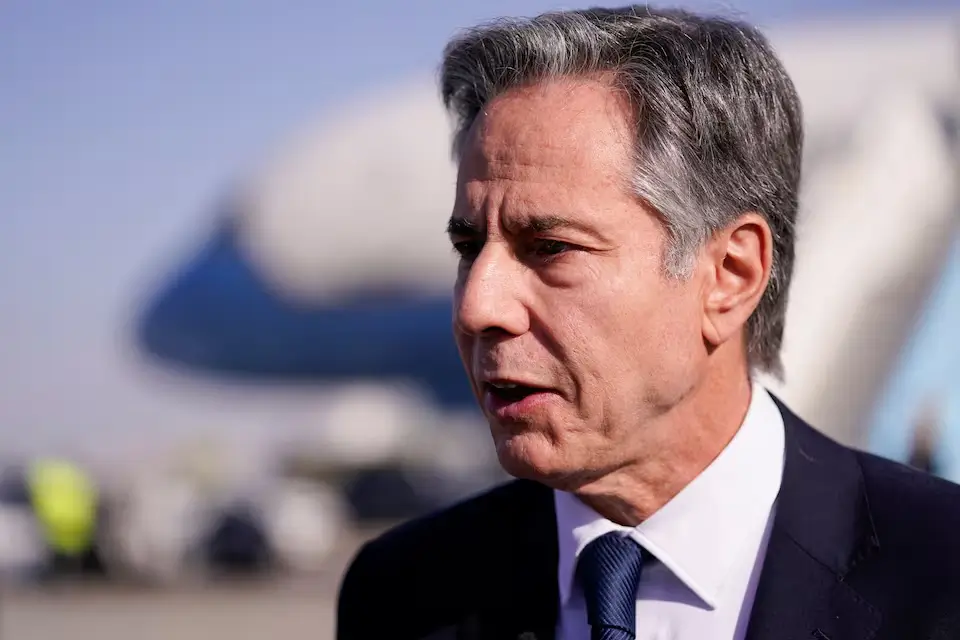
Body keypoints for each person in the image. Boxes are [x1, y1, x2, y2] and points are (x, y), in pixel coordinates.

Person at [337, 6, 960, 640]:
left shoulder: (943, 573)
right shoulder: (401, 595)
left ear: (731, 274)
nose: (477, 307)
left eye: (549, 247)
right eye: (469, 249)